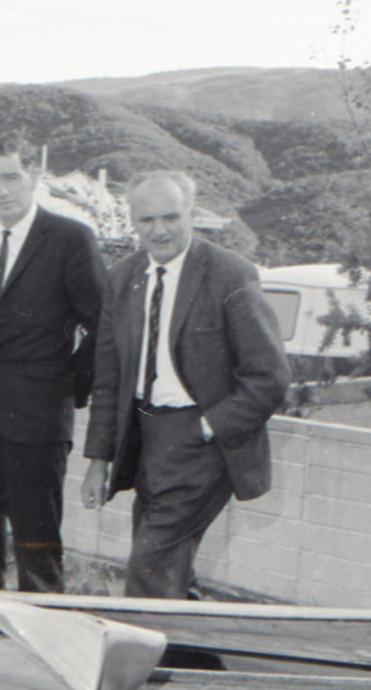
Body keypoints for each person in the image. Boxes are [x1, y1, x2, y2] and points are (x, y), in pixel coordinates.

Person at [80, 171, 290, 598]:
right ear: (133, 221)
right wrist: (98, 459)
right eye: (146, 220)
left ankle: (144, 642)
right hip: (144, 437)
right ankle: (187, 635)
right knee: (165, 564)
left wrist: (208, 427)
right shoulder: (122, 277)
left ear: (192, 213)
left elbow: (269, 375)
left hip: (200, 441)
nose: (159, 230)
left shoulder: (229, 274)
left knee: (150, 566)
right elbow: (109, 376)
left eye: (171, 217)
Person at [0, 137, 104, 593]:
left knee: (36, 546)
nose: (1, 190)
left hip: (35, 417)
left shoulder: (70, 239)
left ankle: (39, 631)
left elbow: (103, 327)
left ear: (34, 177)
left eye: (11, 177)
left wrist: (65, 386)